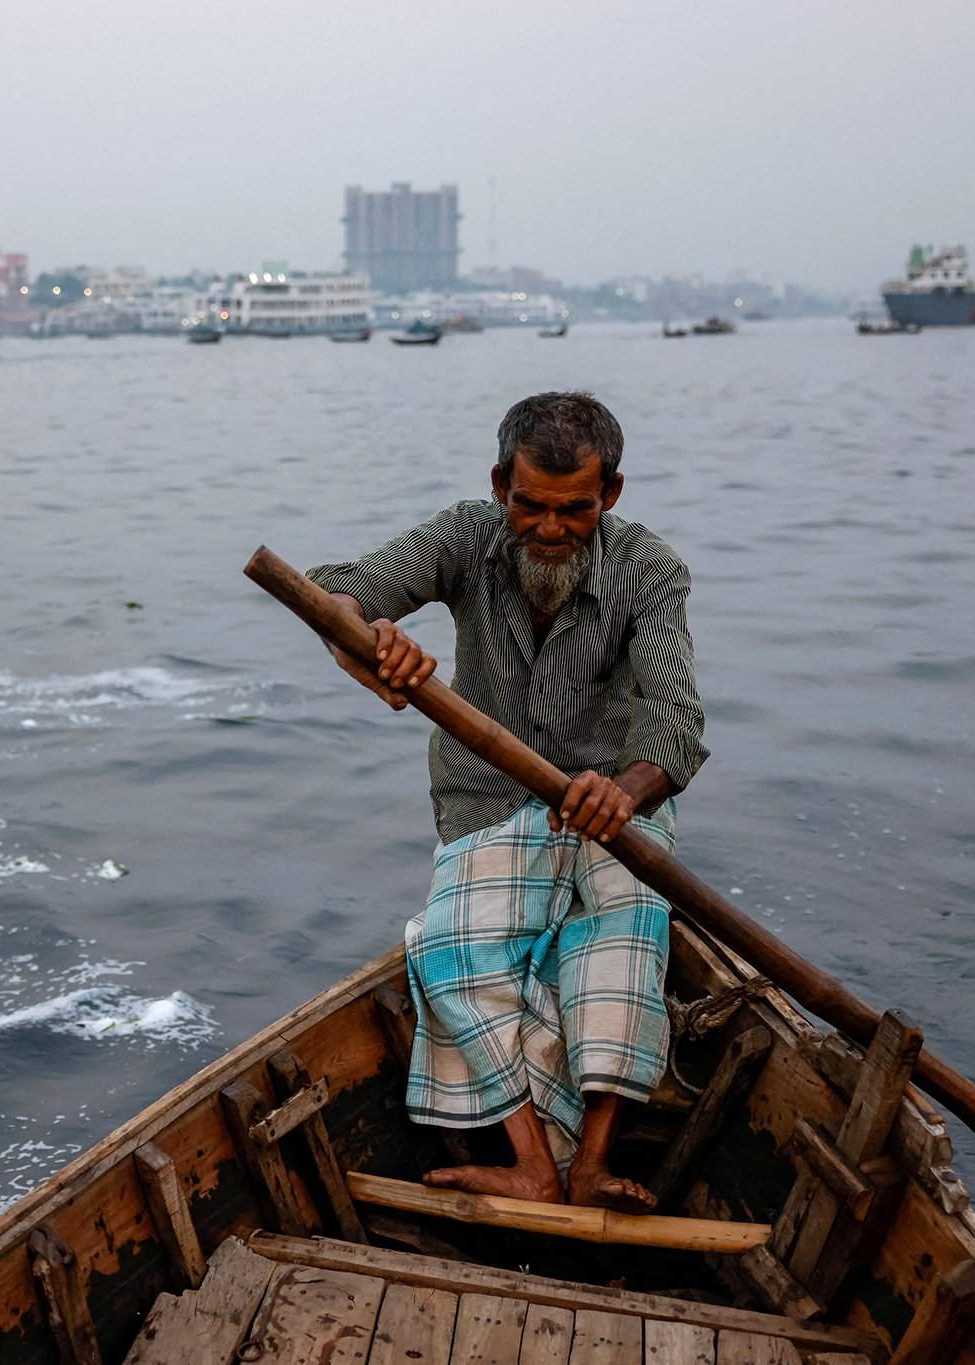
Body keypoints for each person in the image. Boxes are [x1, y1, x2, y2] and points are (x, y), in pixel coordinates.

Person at [306, 391, 706, 1211]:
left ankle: (593, 1161)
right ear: (500, 486)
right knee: (449, 954)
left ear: (612, 497)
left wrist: (623, 790)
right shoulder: (462, 536)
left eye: (575, 510)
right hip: (487, 798)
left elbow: (674, 719)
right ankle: (533, 1162)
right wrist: (369, 646)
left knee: (627, 932)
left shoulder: (651, 571)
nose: (551, 528)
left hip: (612, 803)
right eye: (531, 506)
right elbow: (339, 592)